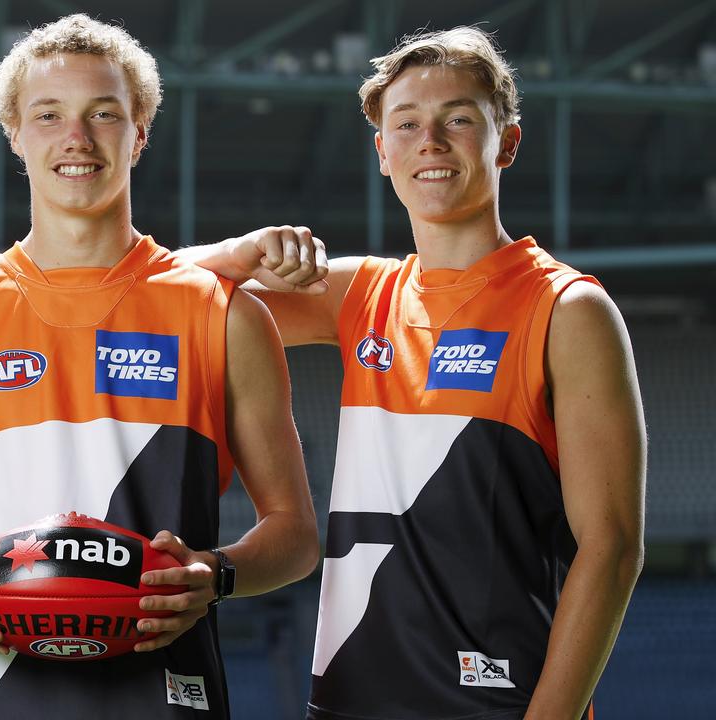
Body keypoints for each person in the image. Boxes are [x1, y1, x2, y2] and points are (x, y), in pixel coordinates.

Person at [0, 14, 319, 718]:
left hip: (169, 692)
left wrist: (218, 572)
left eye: (103, 114)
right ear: (15, 135)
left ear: (139, 133)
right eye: (48, 115)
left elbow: (295, 533)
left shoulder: (226, 314)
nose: (75, 138)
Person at [229, 27, 645, 720]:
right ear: (383, 153)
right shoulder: (361, 293)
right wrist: (240, 249)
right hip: (345, 700)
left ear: (506, 142)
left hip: (494, 704)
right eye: (408, 125)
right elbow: (170, 304)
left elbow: (614, 548)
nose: (431, 141)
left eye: (458, 119)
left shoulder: (568, 309)